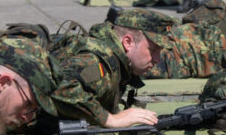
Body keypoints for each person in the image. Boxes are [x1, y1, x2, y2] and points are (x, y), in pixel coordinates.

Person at [49, 9, 177, 128]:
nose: (157, 59)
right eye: (153, 50)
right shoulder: (99, 63)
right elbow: (60, 82)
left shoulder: (117, 59)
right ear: (128, 42)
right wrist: (110, 119)